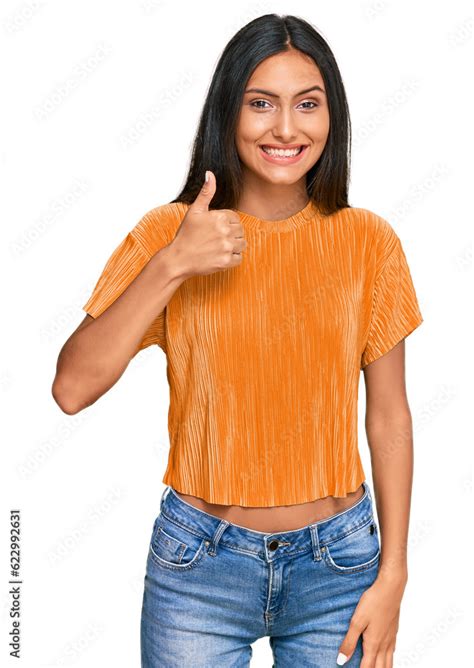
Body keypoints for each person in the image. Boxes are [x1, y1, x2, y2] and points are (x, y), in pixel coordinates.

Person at [52, 13, 424, 668]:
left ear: (331, 116)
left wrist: (393, 572)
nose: (286, 128)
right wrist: (172, 264)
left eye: (307, 105)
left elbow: (389, 414)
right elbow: (72, 387)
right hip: (200, 566)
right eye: (261, 104)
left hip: (337, 565)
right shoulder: (172, 232)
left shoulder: (369, 242)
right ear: (229, 111)